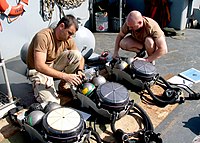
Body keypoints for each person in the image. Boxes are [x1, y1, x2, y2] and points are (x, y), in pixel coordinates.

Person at [26, 14, 85, 104]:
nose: (70, 37)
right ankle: (39, 84)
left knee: (76, 55)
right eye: (69, 33)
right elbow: (39, 66)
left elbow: (81, 58)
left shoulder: (68, 39)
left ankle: (63, 85)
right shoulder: (43, 36)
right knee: (51, 103)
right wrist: (65, 76)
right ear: (61, 26)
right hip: (38, 71)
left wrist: (80, 70)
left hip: (52, 65)